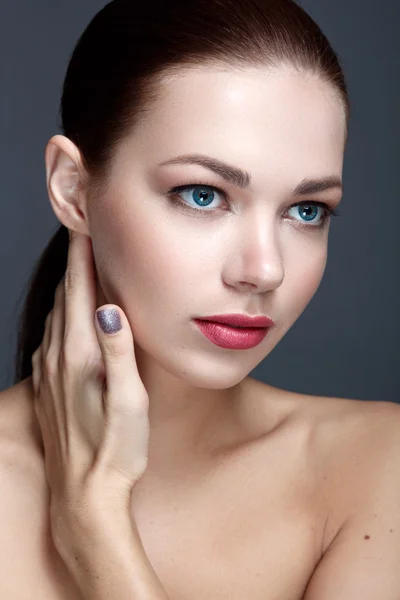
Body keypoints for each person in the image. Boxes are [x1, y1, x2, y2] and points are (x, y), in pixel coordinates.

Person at [1, 0, 399, 598]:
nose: (264, 269)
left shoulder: (378, 466)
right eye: (203, 195)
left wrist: (97, 527)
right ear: (73, 189)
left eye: (305, 210)